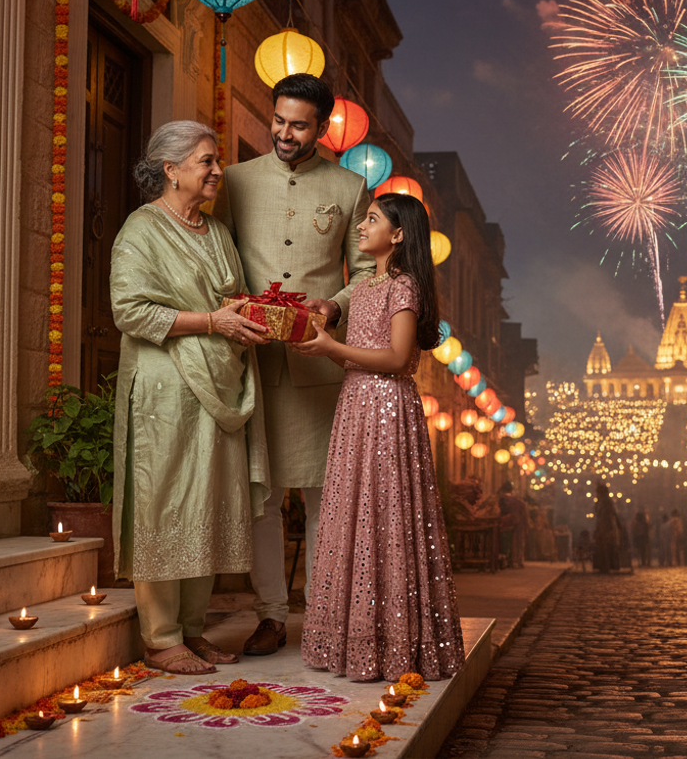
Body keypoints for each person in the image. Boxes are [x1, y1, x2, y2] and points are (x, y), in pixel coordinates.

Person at [215, 74, 376, 656]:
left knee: (322, 497)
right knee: (260, 495)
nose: (285, 133)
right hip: (253, 361)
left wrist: (334, 305)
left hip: (318, 366)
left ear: (322, 128)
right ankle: (272, 616)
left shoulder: (350, 187)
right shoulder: (235, 180)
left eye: (299, 125)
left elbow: (366, 270)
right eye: (279, 120)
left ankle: (329, 613)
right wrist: (231, 305)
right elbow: (218, 255)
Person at [110, 121, 271, 675]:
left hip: (219, 384)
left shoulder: (216, 232)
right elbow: (128, 310)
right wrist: (212, 321)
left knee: (208, 501)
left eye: (216, 160)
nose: (217, 171)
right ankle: (160, 637)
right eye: (205, 161)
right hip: (165, 385)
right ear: (170, 169)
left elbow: (232, 299)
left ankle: (194, 630)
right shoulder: (141, 230)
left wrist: (260, 317)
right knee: (164, 501)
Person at [294, 193, 464, 682]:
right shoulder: (363, 285)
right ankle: (349, 639)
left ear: (398, 234)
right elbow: (351, 355)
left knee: (387, 512)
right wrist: (322, 347)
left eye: (372, 220)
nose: (361, 226)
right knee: (350, 509)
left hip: (390, 410)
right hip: (355, 405)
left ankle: (394, 641)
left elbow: (395, 358)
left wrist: (332, 346)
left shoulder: (404, 286)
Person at [592, 482, 623, 573]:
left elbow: (609, 515)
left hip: (606, 526)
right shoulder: (603, 502)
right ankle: (605, 565)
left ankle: (606, 565)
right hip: (604, 526)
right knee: (605, 546)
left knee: (606, 546)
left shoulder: (605, 502)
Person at [498, 481, 529, 568]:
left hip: (508, 524)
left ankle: (510, 560)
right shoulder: (519, 501)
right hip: (518, 523)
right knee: (518, 542)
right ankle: (517, 561)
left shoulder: (502, 499)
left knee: (509, 542)